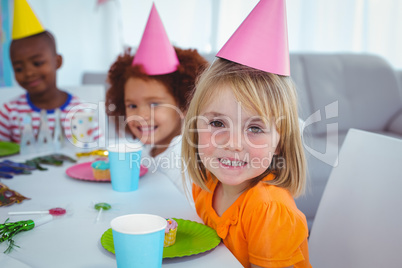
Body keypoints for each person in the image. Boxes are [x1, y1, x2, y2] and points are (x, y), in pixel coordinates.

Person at [181, 1, 311, 267]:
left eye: (255, 128)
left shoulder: (269, 210)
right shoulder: (206, 182)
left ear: (279, 142)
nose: (233, 144)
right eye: (217, 123)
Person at [105, 4, 208, 194]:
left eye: (154, 104)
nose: (141, 114)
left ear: (184, 104)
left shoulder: (187, 159)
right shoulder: (148, 149)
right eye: (132, 105)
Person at [0, 0, 99, 145]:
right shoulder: (9, 112)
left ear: (57, 62)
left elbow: (95, 155)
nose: (28, 73)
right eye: (19, 68)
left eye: (37, 63)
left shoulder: (81, 111)